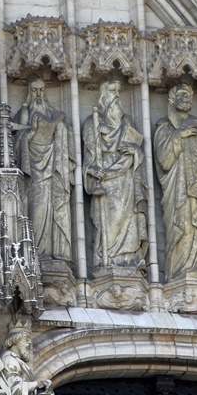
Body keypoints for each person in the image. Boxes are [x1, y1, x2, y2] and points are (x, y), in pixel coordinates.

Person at [153, 83, 197, 280]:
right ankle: (178, 270)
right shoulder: (164, 126)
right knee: (181, 224)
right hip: (176, 187)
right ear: (172, 99)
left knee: (195, 223)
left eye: (188, 96)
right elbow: (164, 160)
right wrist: (178, 136)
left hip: (196, 186)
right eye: (181, 95)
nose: (186, 99)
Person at [82, 80, 147, 269]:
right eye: (112, 91)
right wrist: (93, 172)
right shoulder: (92, 122)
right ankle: (107, 260)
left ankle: (129, 258)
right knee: (108, 224)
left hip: (126, 178)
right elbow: (88, 159)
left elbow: (138, 151)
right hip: (105, 180)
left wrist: (134, 151)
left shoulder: (127, 122)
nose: (116, 95)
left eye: (118, 91)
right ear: (104, 96)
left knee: (128, 220)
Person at [14, 79, 73, 262]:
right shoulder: (23, 114)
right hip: (32, 172)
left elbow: (61, 119)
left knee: (51, 207)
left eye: (41, 90)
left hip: (51, 169)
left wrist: (56, 124)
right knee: (36, 209)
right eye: (34, 90)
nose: (38, 94)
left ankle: (51, 252)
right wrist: (30, 133)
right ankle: (36, 254)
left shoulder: (52, 112)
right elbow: (16, 142)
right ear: (29, 92)